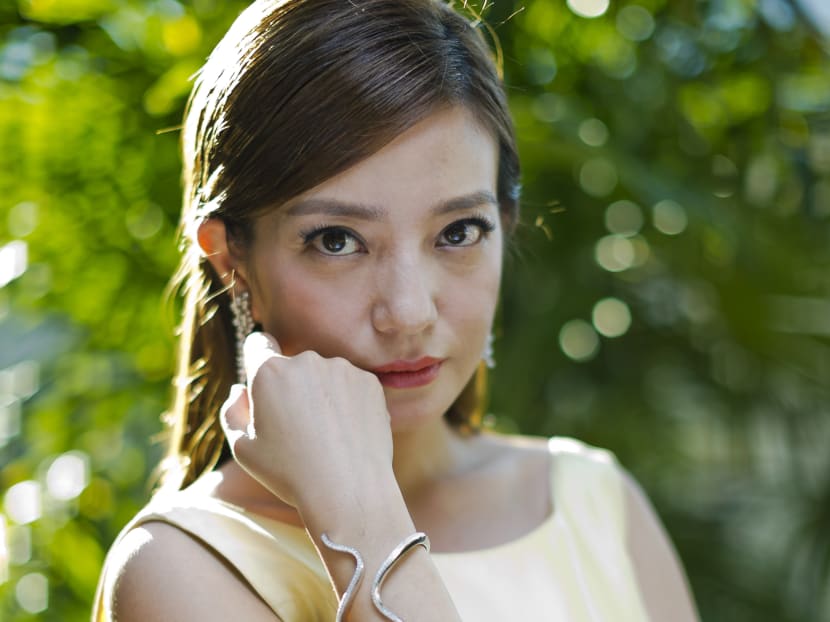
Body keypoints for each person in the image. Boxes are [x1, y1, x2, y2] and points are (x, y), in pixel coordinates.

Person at [92, 0, 700, 620]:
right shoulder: (182, 565)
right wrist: (361, 516)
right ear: (233, 261)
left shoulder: (596, 503)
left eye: (459, 232)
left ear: (504, 224)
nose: (408, 313)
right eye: (337, 241)